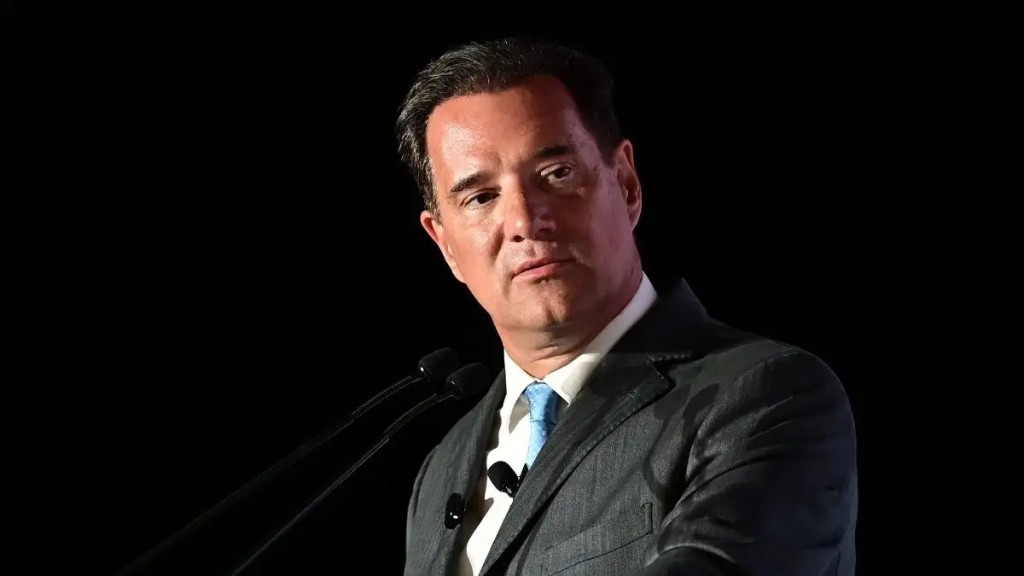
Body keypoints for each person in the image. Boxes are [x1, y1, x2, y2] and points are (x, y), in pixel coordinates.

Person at [394, 36, 857, 576]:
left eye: (557, 174)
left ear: (627, 184)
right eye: (481, 197)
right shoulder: (441, 469)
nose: (524, 222)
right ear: (445, 244)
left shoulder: (766, 394)